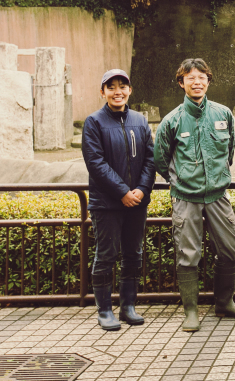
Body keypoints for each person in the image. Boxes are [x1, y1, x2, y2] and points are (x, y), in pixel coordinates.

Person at [154, 58, 235, 332]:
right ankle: (191, 311)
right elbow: (160, 159)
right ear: (181, 82)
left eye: (202, 77)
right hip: (186, 197)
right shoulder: (172, 120)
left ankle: (224, 302)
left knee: (230, 249)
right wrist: (181, 179)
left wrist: (215, 178)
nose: (197, 82)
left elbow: (229, 152)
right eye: (190, 77)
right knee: (188, 254)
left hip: (218, 195)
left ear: (209, 80)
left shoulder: (223, 115)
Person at [82, 69, 155, 331]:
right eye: (111, 87)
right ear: (102, 92)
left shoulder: (139, 120)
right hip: (107, 203)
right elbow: (96, 163)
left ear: (130, 91)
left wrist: (141, 190)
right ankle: (104, 310)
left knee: (134, 254)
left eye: (122, 86)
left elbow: (150, 158)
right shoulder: (94, 122)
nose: (117, 91)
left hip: (137, 201)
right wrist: (123, 191)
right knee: (106, 254)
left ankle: (128, 306)